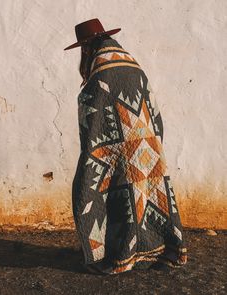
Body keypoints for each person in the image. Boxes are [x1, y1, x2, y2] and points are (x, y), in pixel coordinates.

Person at [64, 18, 187, 275]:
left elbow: (93, 113)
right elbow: (153, 110)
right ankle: (165, 249)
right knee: (149, 197)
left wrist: (97, 150)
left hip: (115, 149)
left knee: (93, 191)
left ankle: (115, 256)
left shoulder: (101, 72)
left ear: (87, 47)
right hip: (147, 148)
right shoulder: (133, 65)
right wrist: (152, 142)